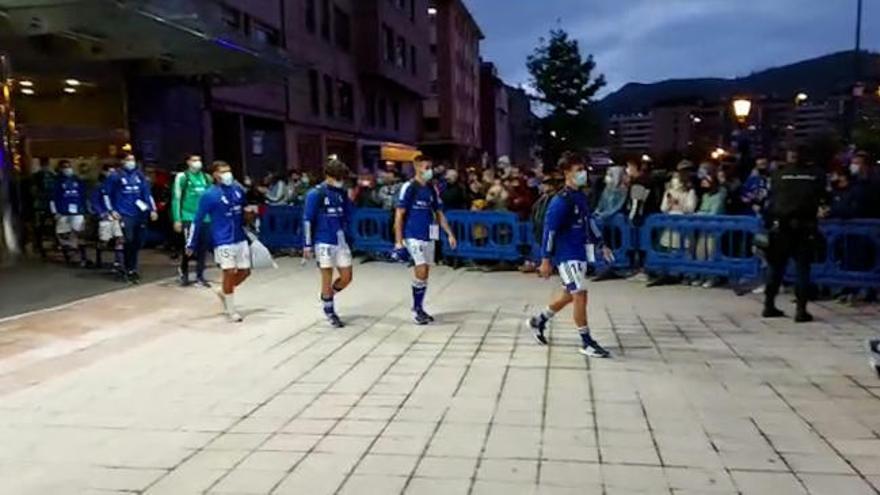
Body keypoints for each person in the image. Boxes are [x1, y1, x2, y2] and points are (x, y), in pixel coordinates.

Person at [526, 152, 612, 357]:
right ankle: (586, 341)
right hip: (567, 255)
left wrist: (602, 244)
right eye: (578, 170)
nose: (583, 174)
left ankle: (539, 321)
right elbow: (550, 231)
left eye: (584, 169)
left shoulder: (580, 197)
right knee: (580, 295)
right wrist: (545, 259)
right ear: (567, 173)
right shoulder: (560, 201)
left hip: (580, 252)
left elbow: (589, 221)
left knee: (568, 296)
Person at [762, 150, 825, 323]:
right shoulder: (815, 175)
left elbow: (771, 200)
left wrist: (767, 223)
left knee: (775, 268)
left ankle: (768, 305)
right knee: (802, 269)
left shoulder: (778, 174)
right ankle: (801, 310)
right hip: (804, 227)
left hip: (780, 226)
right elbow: (821, 197)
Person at [394, 156, 458, 325]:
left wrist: (449, 233)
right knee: (421, 269)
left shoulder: (431, 188)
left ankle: (419, 307)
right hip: (412, 235)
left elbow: (439, 213)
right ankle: (416, 309)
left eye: (431, 166)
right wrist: (398, 242)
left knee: (425, 274)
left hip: (428, 235)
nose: (430, 170)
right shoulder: (409, 187)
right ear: (417, 167)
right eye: (427, 167)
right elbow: (399, 214)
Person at [187, 161, 251, 322]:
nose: (227, 174)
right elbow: (198, 220)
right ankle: (231, 311)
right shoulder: (209, 195)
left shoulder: (238, 190)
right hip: (222, 239)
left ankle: (224, 291)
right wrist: (191, 243)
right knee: (229, 272)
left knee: (245, 272)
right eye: (223, 171)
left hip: (240, 237)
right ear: (215, 175)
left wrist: (250, 214)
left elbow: (245, 208)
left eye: (228, 170)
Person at [303, 159, 355, 328]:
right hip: (323, 240)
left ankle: (327, 296)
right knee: (327, 275)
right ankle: (330, 311)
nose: (340, 181)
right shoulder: (315, 194)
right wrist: (307, 245)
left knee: (347, 277)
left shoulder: (342, 192)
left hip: (340, 239)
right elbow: (307, 220)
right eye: (337, 178)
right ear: (328, 176)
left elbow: (348, 214)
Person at [104, 153, 158, 283]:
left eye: (133, 159)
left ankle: (131, 266)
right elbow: (106, 194)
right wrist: (111, 211)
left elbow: (147, 194)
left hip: (140, 213)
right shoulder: (115, 176)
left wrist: (152, 209)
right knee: (128, 240)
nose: (131, 162)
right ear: (122, 161)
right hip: (125, 214)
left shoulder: (140, 176)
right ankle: (128, 268)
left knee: (139, 242)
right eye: (128, 160)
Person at [172, 154, 212, 287]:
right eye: (194, 160)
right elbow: (176, 199)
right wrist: (177, 219)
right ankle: (184, 272)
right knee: (188, 247)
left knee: (203, 247)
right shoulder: (182, 177)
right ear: (188, 162)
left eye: (199, 160)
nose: (197, 163)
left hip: (205, 217)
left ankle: (200, 276)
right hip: (188, 216)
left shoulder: (206, 178)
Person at [50, 160, 88, 266]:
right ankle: (70, 257)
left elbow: (83, 196)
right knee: (64, 235)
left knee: (79, 234)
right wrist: (55, 212)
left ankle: (82, 257)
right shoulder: (57, 182)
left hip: (77, 211)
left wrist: (84, 209)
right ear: (61, 169)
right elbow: (52, 198)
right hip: (63, 212)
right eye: (65, 167)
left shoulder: (77, 180)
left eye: (69, 166)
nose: (67, 169)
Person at [90, 164, 124, 272]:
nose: (112, 174)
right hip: (105, 216)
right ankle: (98, 257)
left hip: (117, 216)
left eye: (114, 172)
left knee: (119, 238)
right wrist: (102, 213)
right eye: (110, 171)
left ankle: (118, 262)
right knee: (104, 241)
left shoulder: (118, 187)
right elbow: (94, 202)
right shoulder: (99, 186)